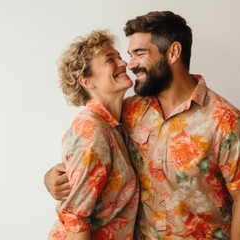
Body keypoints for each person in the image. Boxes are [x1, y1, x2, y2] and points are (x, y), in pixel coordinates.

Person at [45, 11, 240, 240]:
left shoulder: (225, 120)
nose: (130, 64)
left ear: (174, 52)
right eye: (130, 54)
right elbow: (88, 155)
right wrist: (52, 177)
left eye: (139, 53)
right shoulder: (128, 111)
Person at [47, 30, 139, 240]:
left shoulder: (114, 125)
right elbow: (75, 219)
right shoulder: (92, 131)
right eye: (110, 59)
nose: (123, 63)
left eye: (118, 56)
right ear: (87, 82)